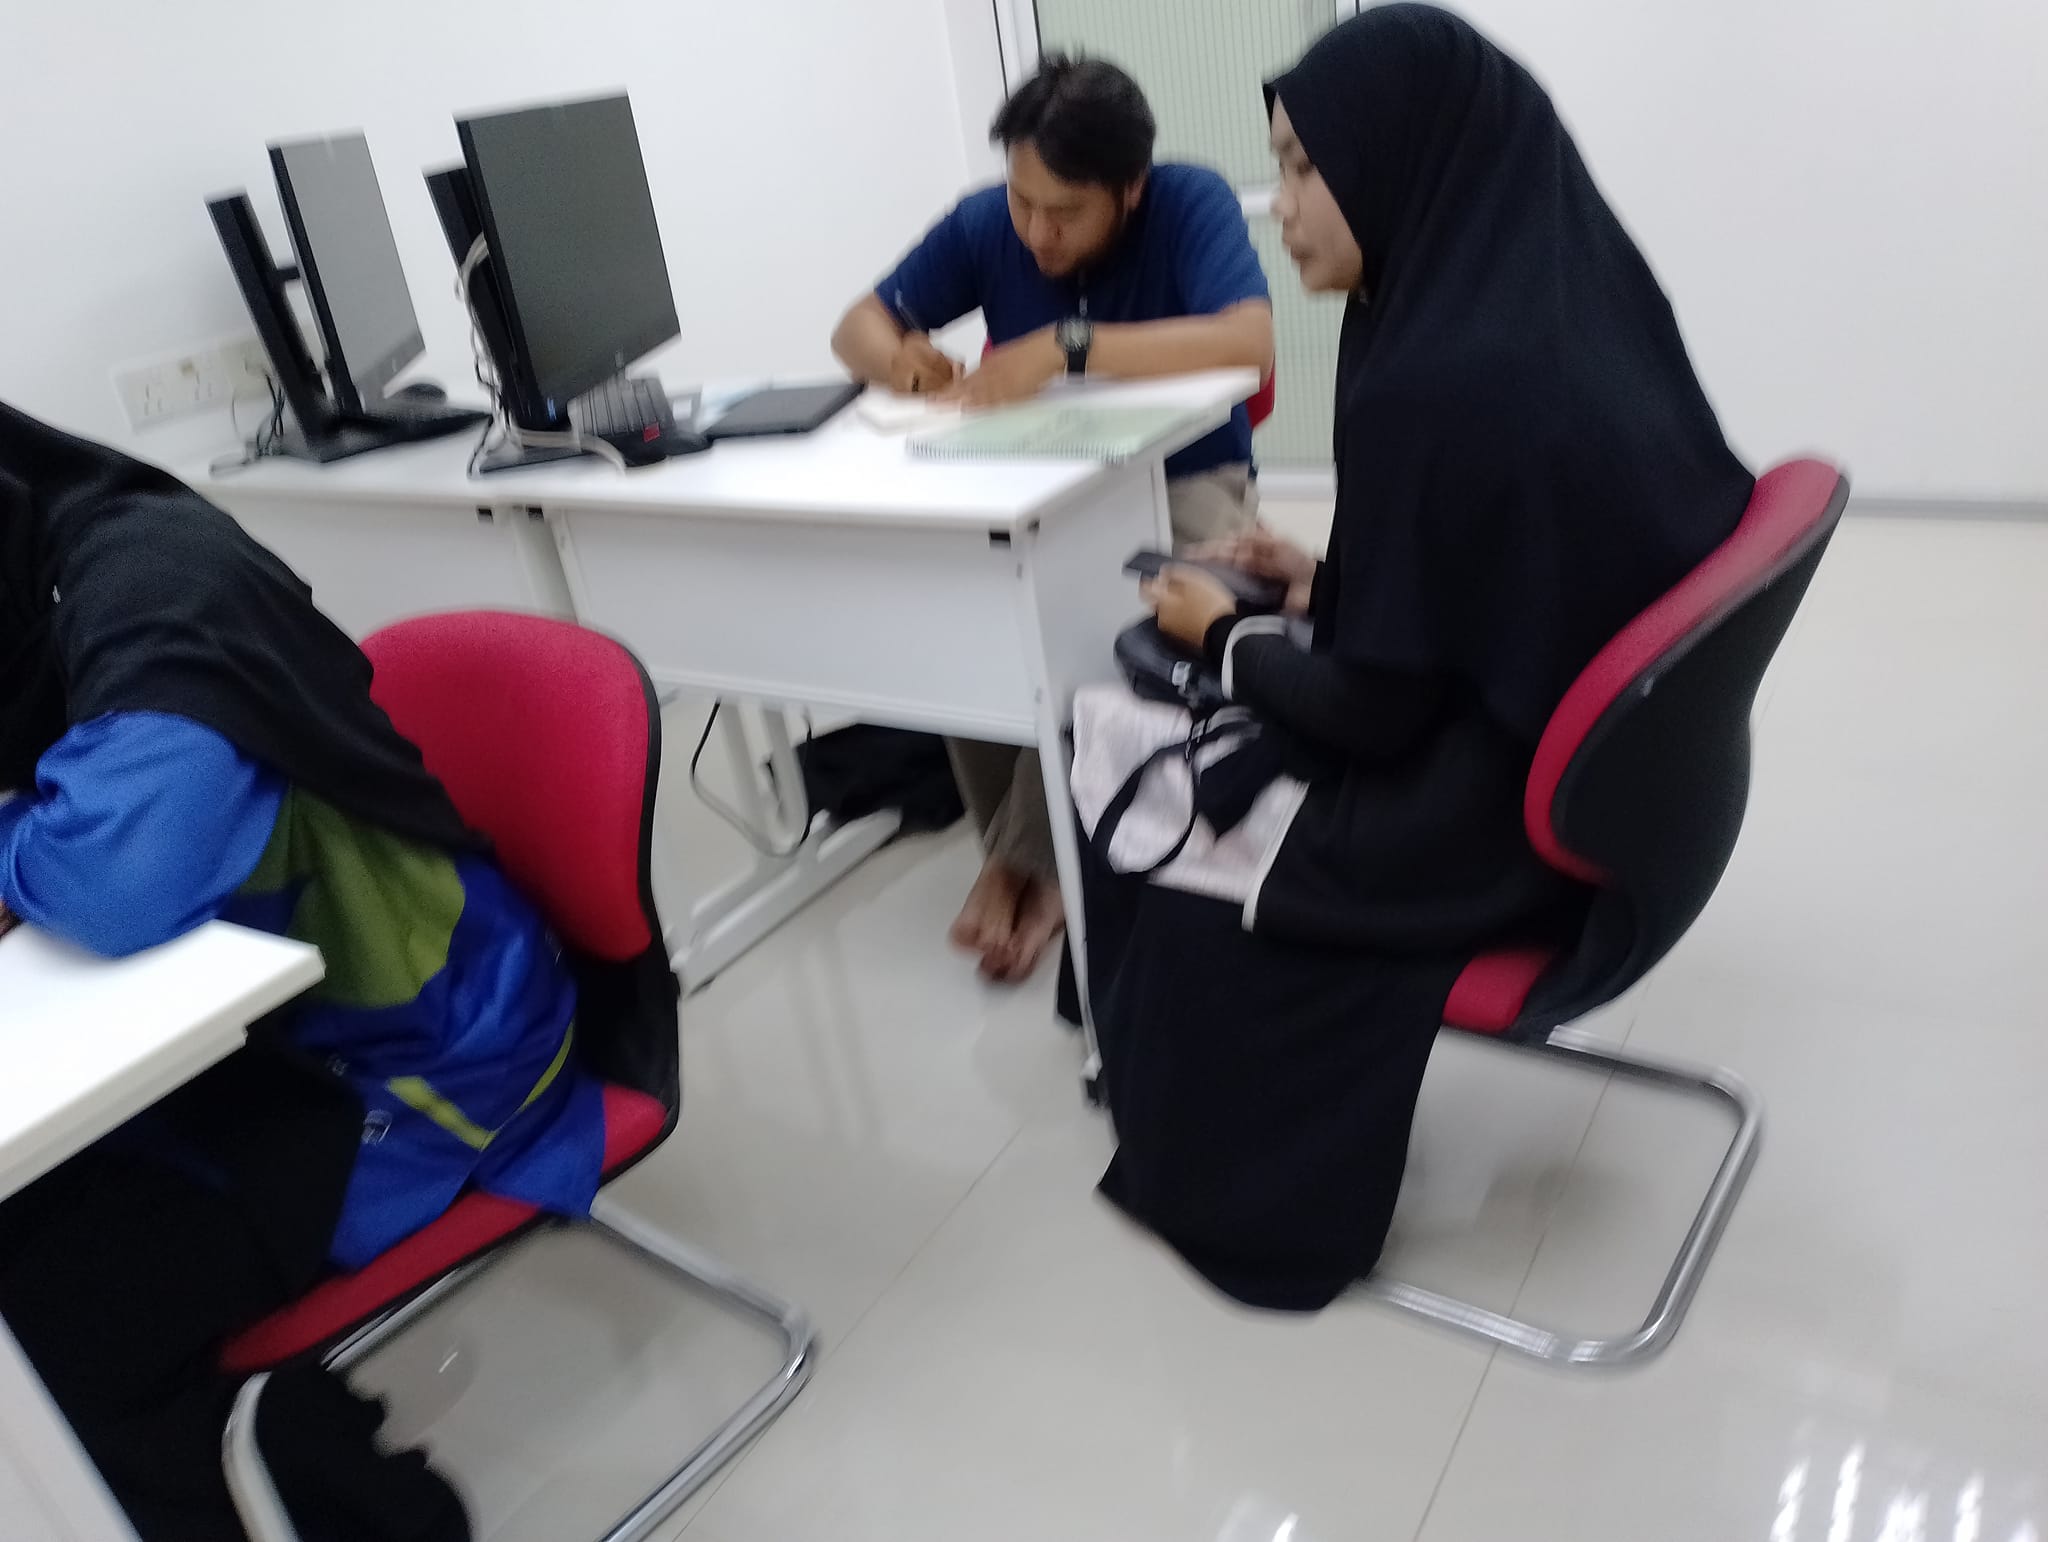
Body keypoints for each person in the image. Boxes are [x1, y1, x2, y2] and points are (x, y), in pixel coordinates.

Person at [1076, 4, 1755, 1310]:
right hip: (1633, 799)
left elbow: (1375, 715)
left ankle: (1186, 1122)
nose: (1280, 209)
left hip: (1487, 830)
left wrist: (1226, 633)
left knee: (1122, 740)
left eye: (1303, 168)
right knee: (1187, 707)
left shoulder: (1438, 383)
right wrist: (1331, 581)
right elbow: (1519, 572)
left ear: (1402, 160)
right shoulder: (1563, 302)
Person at [0, 405, 639, 1541]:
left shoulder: (156, 582)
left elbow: (120, 880)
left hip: (425, 1056)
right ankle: (298, 1459)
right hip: (262, 1042)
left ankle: (352, 1508)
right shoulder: (32, 591)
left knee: (55, 1322)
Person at [832, 55, 1275, 985]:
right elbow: (856, 327)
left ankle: (1025, 865)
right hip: (1031, 483)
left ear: (1130, 188)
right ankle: (1025, 856)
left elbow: (1250, 341)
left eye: (1065, 212)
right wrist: (907, 365)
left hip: (1186, 479)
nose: (1036, 231)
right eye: (1023, 201)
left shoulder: (1188, 203)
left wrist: (1067, 348)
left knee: (1098, 611)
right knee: (970, 605)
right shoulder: (986, 221)